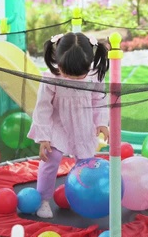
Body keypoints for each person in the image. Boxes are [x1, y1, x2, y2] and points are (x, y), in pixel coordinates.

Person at [27, 32, 110, 218]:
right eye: (68, 73)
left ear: (89, 65)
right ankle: (43, 199)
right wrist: (44, 137)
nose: (73, 79)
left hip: (83, 125)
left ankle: (83, 198)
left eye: (78, 75)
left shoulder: (94, 77)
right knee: (51, 158)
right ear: (59, 62)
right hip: (59, 125)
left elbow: (98, 100)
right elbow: (43, 108)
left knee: (85, 165)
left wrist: (101, 123)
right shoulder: (51, 78)